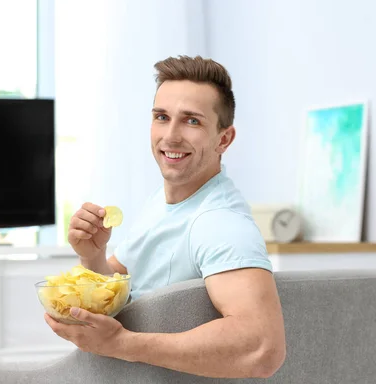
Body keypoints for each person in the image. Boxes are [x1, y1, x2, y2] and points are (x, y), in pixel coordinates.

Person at [44, 55, 286, 379]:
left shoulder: (220, 223)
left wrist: (121, 344)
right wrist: (93, 256)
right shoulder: (164, 200)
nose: (170, 136)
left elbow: (262, 347)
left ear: (224, 139)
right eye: (162, 117)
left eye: (192, 121)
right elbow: (123, 283)